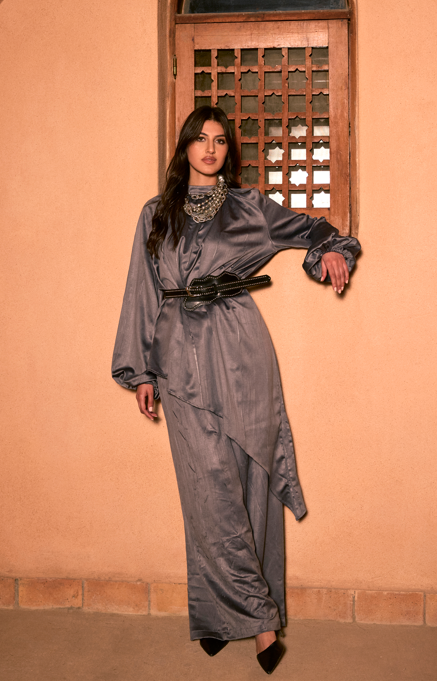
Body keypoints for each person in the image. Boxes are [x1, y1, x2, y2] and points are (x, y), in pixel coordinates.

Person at [112, 106, 360, 674]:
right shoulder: (156, 213)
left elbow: (316, 230)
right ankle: (260, 620)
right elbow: (141, 290)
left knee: (253, 483)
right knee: (208, 491)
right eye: (200, 139)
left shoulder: (250, 207)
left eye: (220, 140)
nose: (210, 148)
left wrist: (329, 252)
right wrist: (141, 371)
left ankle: (223, 618)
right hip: (178, 356)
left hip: (241, 352)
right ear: (184, 146)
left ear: (229, 150)